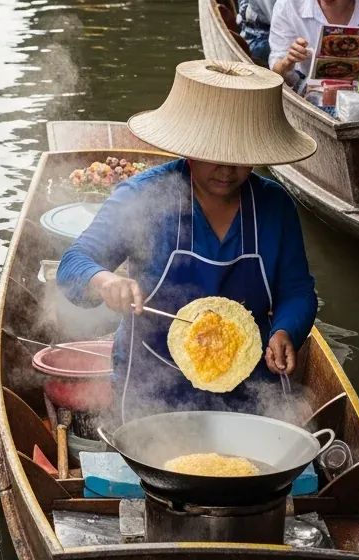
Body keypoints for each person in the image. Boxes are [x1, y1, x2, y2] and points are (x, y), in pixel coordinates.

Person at [56, 59, 318, 420]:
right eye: (214, 155)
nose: (227, 171)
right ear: (190, 146)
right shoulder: (143, 197)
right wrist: (104, 281)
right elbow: (74, 263)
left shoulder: (275, 207)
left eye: (241, 158)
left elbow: (298, 290)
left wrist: (287, 329)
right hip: (152, 386)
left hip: (249, 387)